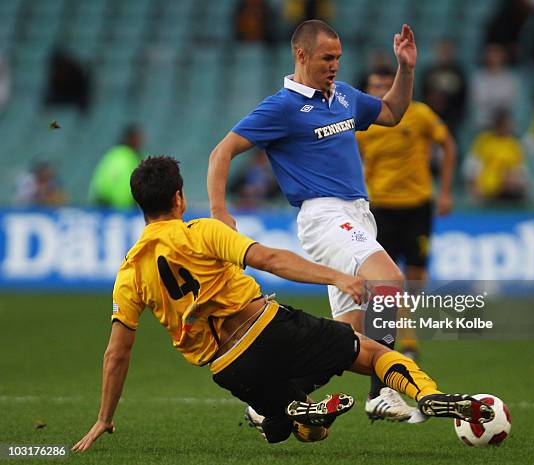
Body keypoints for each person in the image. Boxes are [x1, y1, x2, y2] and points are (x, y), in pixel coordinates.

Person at [71, 156, 494, 451]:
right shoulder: (201, 232)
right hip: (268, 328)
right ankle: (428, 394)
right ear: (179, 198)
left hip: (228, 369)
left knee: (291, 428)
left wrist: (105, 417)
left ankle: (295, 413)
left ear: (140, 205)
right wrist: (336, 275)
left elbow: (116, 353)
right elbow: (271, 260)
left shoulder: (129, 271)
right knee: (373, 352)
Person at [207, 20, 420, 422]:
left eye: (338, 57)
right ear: (301, 55)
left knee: (344, 341)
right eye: (327, 57)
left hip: (358, 215)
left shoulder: (343, 97)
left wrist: (405, 68)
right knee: (388, 279)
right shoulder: (282, 107)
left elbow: (391, 112)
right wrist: (220, 214)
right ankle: (383, 394)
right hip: (323, 214)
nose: (335, 65)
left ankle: (268, 402)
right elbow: (222, 152)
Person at [357, 65, 457, 357]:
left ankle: (398, 330)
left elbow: (448, 145)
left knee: (415, 279)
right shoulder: (363, 124)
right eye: (376, 86)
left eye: (388, 86)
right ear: (368, 90)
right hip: (381, 208)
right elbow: (350, 162)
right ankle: (403, 341)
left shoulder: (420, 114)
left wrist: (446, 192)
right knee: (385, 278)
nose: (383, 92)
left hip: (417, 206)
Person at [464, 110, 528, 203]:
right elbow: (471, 166)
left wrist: (514, 180)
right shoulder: (484, 141)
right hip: (485, 193)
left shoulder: (513, 144)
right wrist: (474, 187)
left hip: (506, 192)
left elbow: (521, 170)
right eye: (505, 124)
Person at [89, 124, 143, 209]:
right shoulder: (129, 157)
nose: (141, 141)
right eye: (138, 138)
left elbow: (100, 184)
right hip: (121, 208)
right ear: (131, 139)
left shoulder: (112, 154)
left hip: (102, 205)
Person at [420, 39, 467, 136]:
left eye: (447, 51)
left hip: (451, 119)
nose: (444, 54)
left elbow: (463, 96)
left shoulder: (458, 73)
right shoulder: (429, 72)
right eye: (442, 51)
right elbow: (423, 94)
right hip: (431, 116)